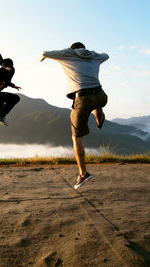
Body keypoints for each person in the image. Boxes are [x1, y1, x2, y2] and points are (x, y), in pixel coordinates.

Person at [40, 42, 109, 189]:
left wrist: (42, 58)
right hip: (101, 96)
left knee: (76, 137)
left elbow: (45, 53)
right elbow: (106, 55)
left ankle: (83, 174)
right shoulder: (94, 56)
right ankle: (99, 116)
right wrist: (93, 54)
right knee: (96, 100)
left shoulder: (67, 54)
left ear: (72, 49)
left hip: (83, 98)